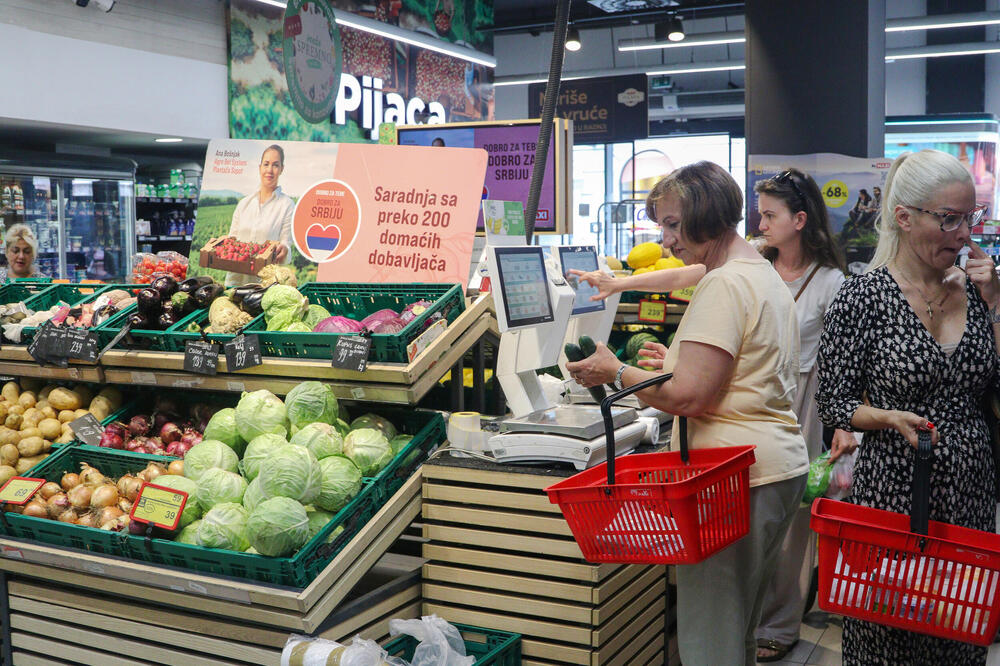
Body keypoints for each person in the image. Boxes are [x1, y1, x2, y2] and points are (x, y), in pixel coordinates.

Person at [566, 161, 809, 666]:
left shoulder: (723, 285)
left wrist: (615, 370)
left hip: (735, 478)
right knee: (735, 630)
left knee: (709, 641)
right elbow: (737, 369)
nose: (667, 239)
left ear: (708, 215)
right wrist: (669, 364)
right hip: (770, 468)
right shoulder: (755, 270)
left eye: (673, 224)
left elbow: (689, 398)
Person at [816, 149, 996, 666]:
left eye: (971, 216)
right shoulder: (864, 297)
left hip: (970, 493)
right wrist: (887, 417)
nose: (964, 233)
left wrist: (998, 303)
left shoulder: (977, 290)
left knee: (959, 635)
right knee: (887, 637)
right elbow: (834, 401)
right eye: (949, 219)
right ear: (903, 216)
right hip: (892, 491)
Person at [751, 169, 854, 662]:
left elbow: (847, 363)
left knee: (793, 519)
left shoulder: (833, 283)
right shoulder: (755, 264)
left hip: (805, 407)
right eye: (760, 212)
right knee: (753, 515)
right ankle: (751, 614)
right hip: (754, 401)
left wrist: (844, 428)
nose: (761, 223)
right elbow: (696, 275)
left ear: (799, 219)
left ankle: (781, 621)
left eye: (770, 214)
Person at [226, 144, 294, 286]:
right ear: (260, 167)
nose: (269, 170)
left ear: (282, 169)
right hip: (236, 281)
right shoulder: (244, 204)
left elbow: (286, 242)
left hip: (265, 285)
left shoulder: (287, 205)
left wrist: (285, 249)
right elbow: (231, 239)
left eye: (275, 165)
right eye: (266, 164)